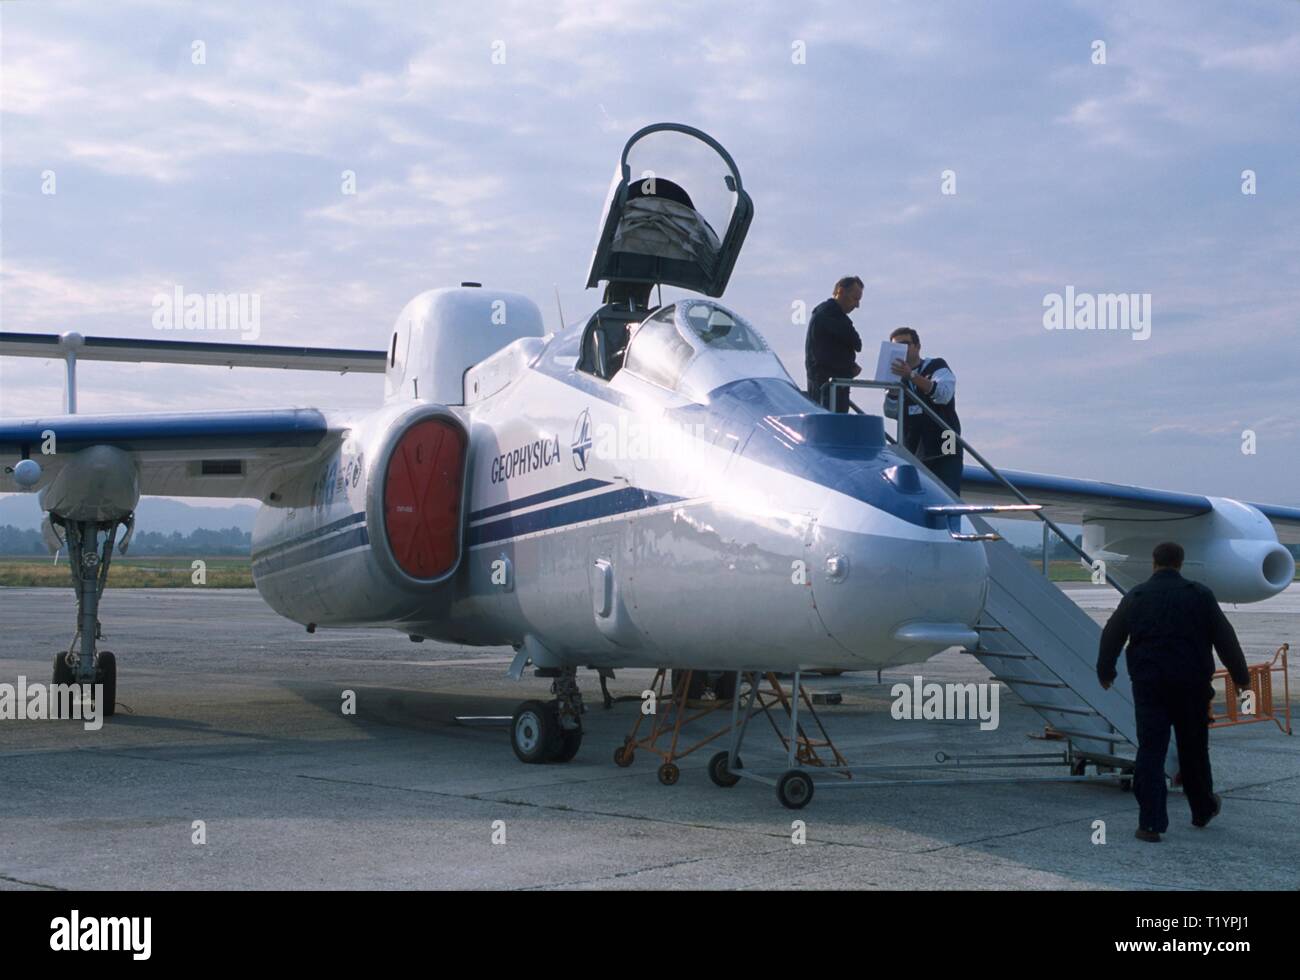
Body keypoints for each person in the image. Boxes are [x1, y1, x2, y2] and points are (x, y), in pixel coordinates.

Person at [1096, 541, 1252, 843]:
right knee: (1193, 750)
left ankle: (1150, 824)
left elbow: (1112, 634)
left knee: (1150, 751)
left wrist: (1106, 671)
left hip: (1150, 687)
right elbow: (1225, 638)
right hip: (1192, 687)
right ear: (1180, 563)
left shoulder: (1137, 595)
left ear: (1154, 563)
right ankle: (1202, 809)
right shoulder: (1200, 595)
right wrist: (1241, 677)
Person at [882, 327, 963, 494]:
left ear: (917, 346)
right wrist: (894, 390)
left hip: (945, 446)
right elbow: (890, 412)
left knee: (948, 496)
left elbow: (943, 395)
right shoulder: (895, 378)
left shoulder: (936, 366)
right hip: (914, 450)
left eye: (905, 344)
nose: (901, 350)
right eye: (895, 347)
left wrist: (911, 376)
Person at [805, 276, 863, 413]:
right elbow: (856, 342)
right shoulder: (829, 314)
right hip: (828, 388)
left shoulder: (826, 314)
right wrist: (848, 368)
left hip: (832, 385)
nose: (857, 305)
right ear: (841, 292)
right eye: (855, 298)